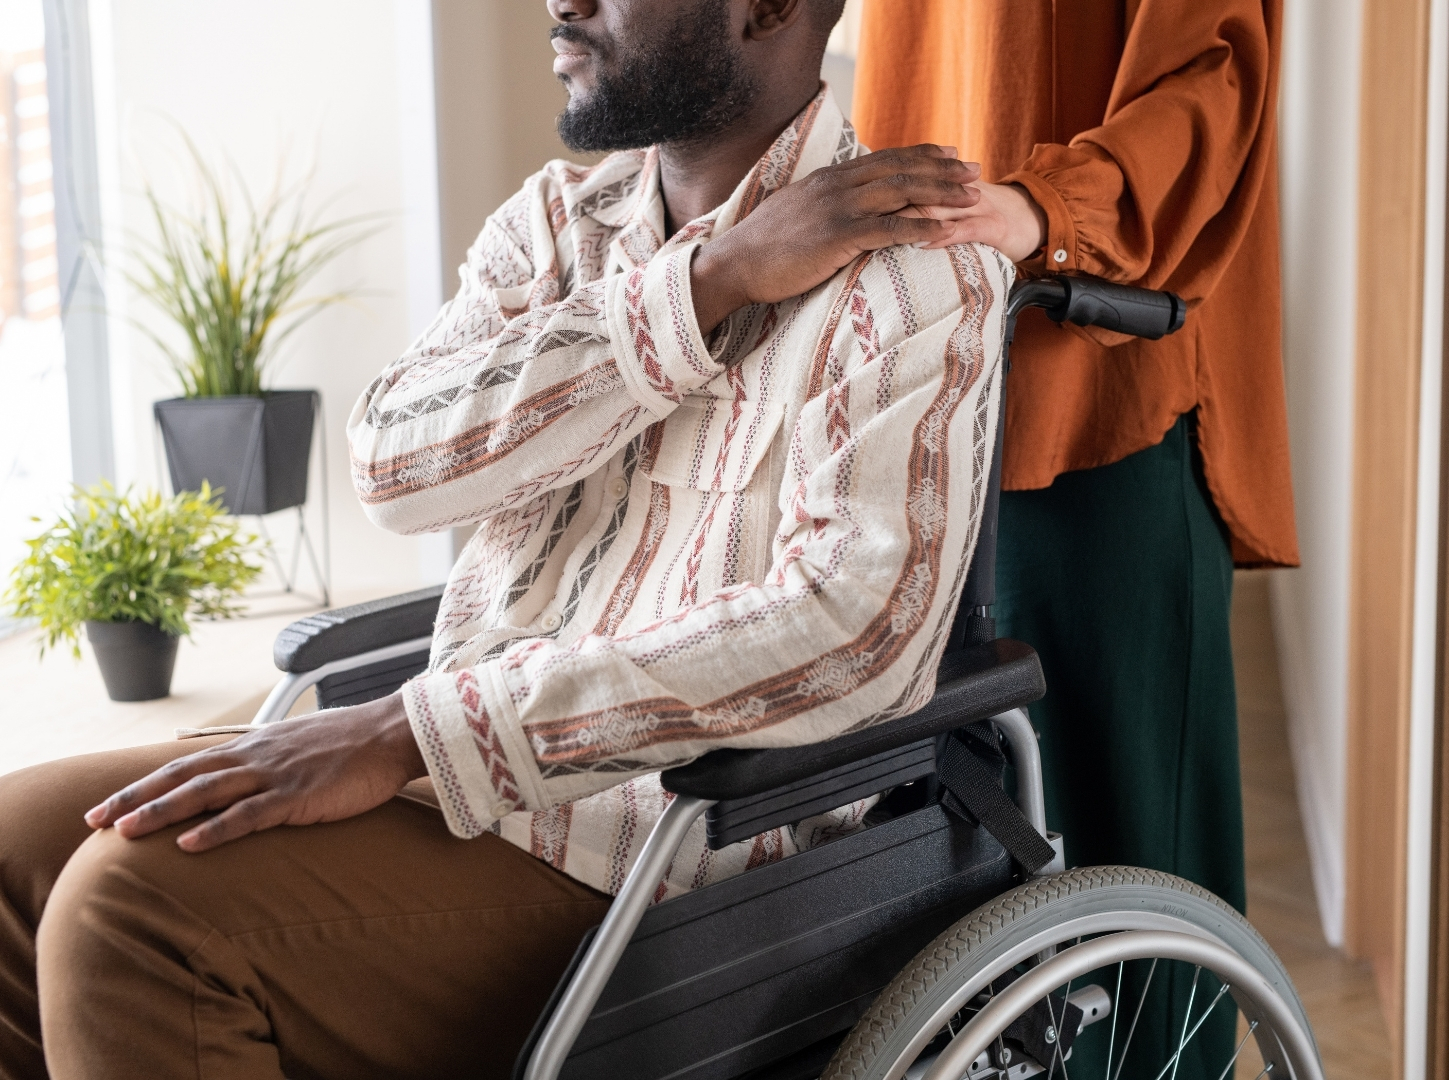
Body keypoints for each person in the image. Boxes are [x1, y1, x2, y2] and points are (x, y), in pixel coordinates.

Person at [0, 2, 1012, 1077]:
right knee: (14, 845)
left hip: (669, 863)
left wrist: (407, 733)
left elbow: (854, 629)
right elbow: (393, 465)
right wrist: (707, 285)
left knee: (130, 915)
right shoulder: (552, 231)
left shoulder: (917, 271)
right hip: (450, 794)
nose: (559, 2)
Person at [852, 2, 1295, 1076]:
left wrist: (1047, 206)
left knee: (1140, 882)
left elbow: (1212, 77)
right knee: (959, 864)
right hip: (927, 386)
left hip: (1092, 380)